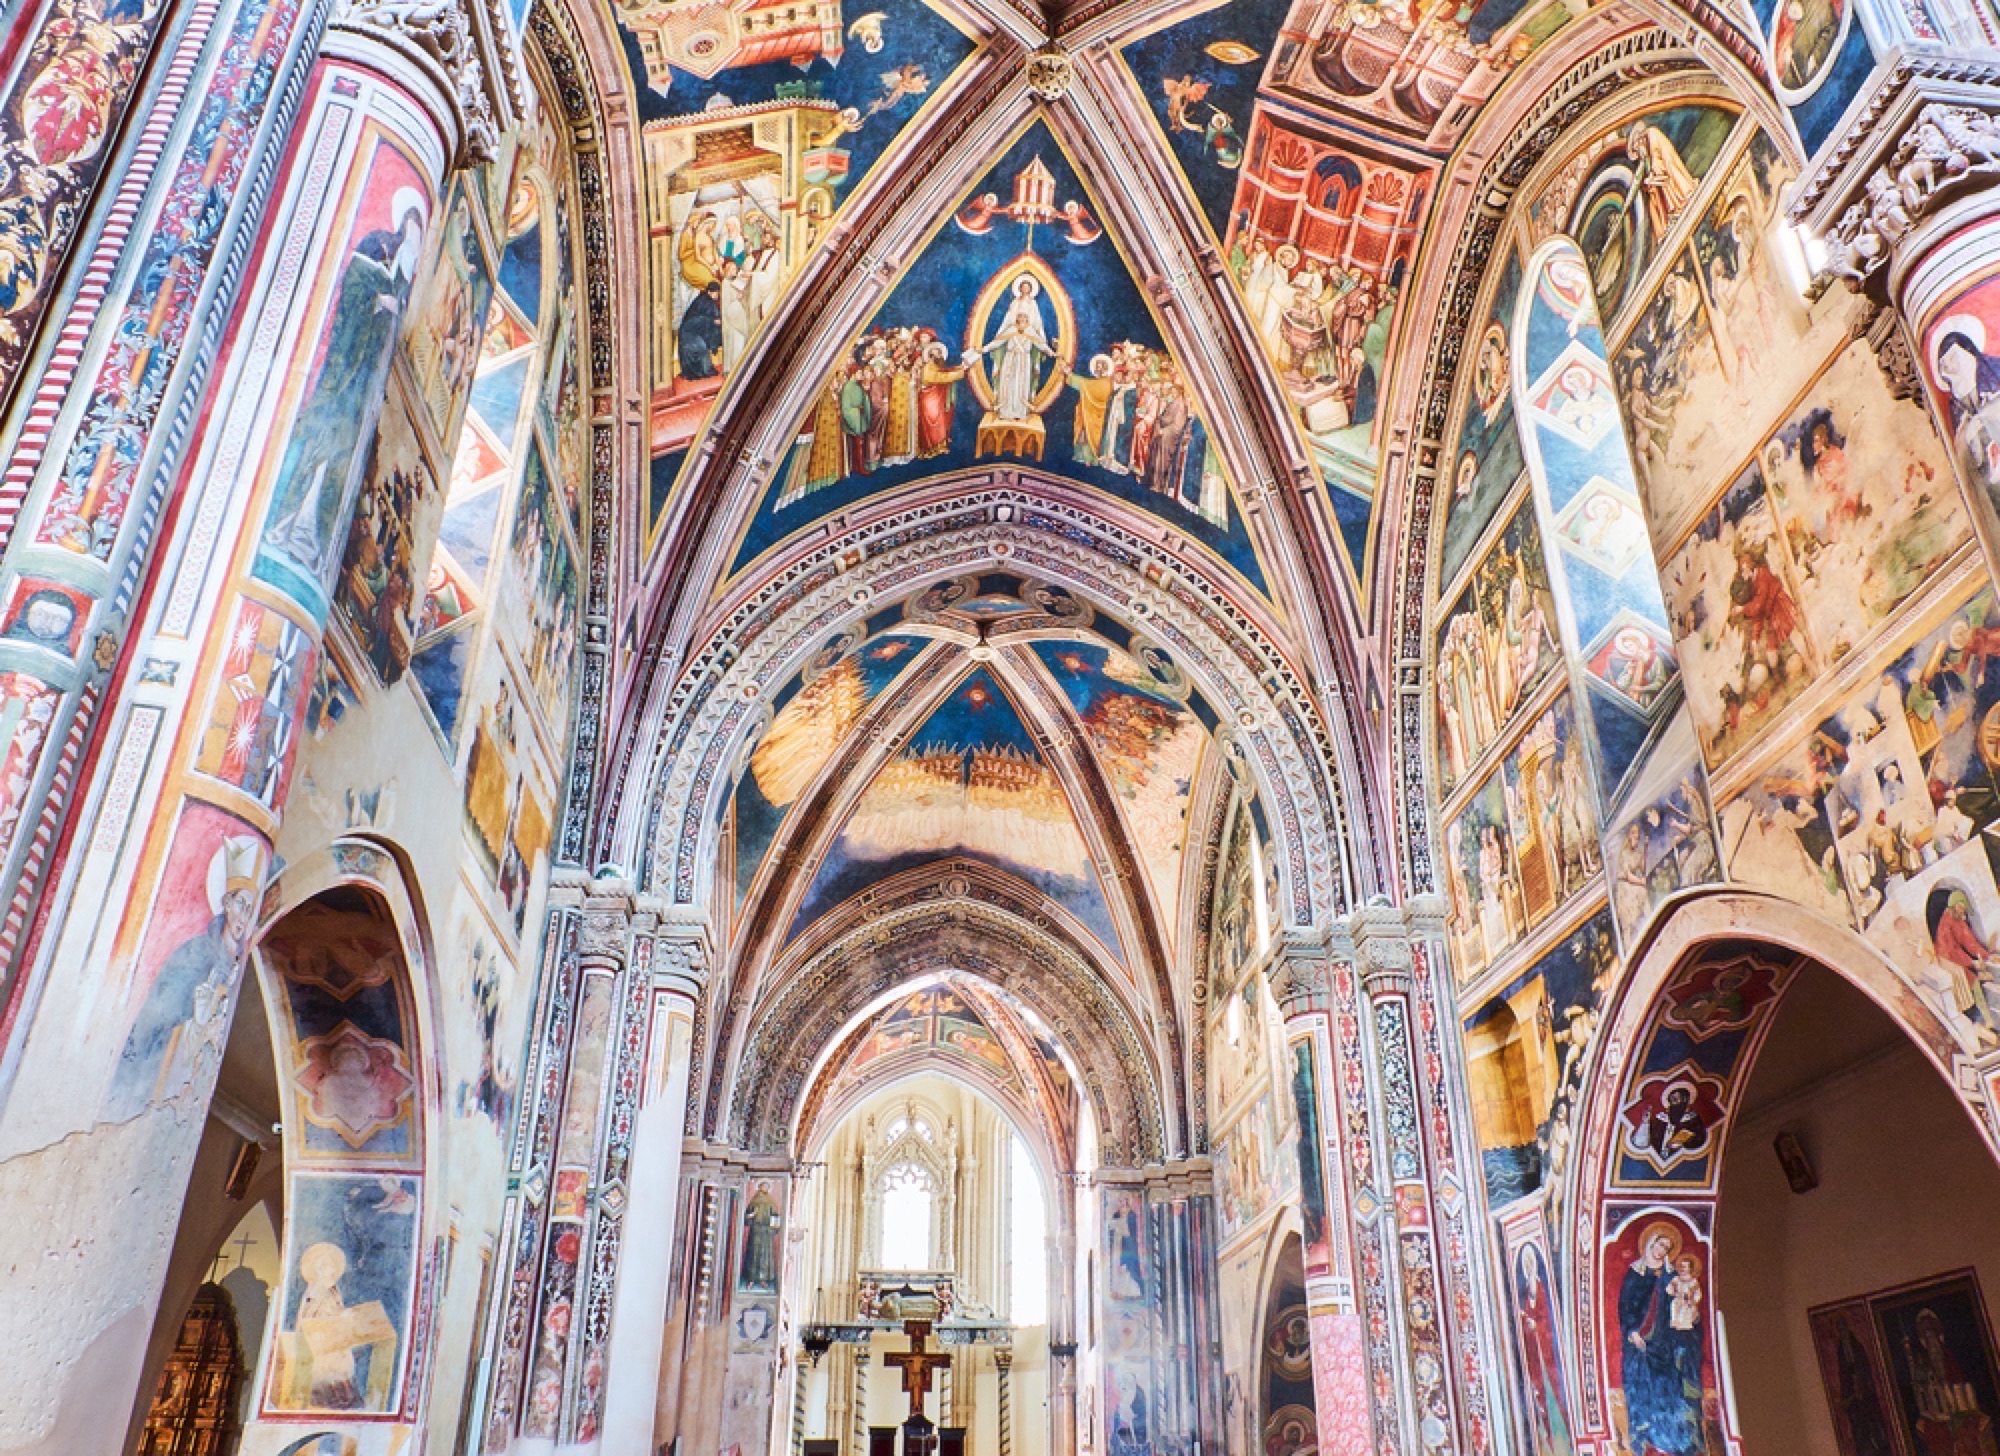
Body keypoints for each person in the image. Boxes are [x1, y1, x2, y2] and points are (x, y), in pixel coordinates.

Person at [1618, 1226, 1707, 1456]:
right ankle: (1644, 1436)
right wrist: (1632, 1332)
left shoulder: (1669, 1276)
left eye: (1666, 1248)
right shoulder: (1635, 1272)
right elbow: (1625, 1306)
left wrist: (1693, 1318)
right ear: (1650, 1244)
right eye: (1659, 1245)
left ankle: (1672, 1439)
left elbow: (1679, 1307)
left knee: (1669, 1386)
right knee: (1642, 1385)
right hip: (1640, 1341)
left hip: (1663, 1340)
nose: (1661, 1250)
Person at [981, 277, 1056, 421]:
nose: (1021, 321)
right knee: (1008, 383)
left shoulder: (1031, 329)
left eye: (1024, 320)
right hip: (1010, 358)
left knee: (1021, 385)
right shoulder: (1010, 327)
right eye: (1019, 319)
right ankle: (1005, 411)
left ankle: (1019, 412)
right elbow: (997, 342)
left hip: (1024, 359)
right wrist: (983, 349)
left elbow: (1041, 344)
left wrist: (1053, 353)